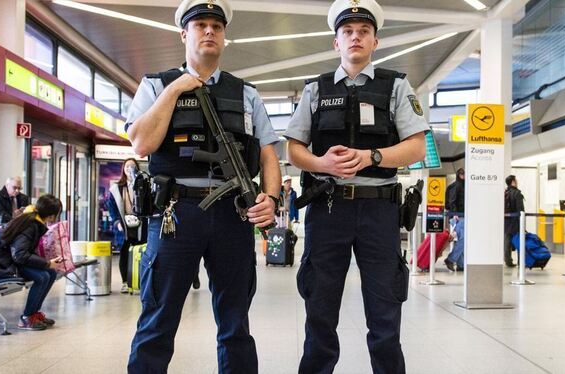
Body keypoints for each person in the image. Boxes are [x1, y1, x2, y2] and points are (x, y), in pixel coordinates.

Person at [124, 1, 281, 372]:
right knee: (158, 319)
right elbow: (141, 144)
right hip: (175, 215)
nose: (209, 31)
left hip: (233, 215)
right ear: (184, 34)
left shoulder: (246, 93)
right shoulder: (155, 85)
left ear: (224, 37)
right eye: (200, 25)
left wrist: (271, 198)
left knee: (235, 323)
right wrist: (175, 89)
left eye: (216, 26)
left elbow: (268, 155)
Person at [285, 0, 428, 372]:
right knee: (319, 310)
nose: (355, 37)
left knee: (385, 315)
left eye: (363, 32)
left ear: (375, 42)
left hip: (378, 210)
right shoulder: (315, 90)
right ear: (336, 43)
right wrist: (320, 164)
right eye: (347, 32)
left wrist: (371, 157)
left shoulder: (395, 85)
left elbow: (415, 146)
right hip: (327, 208)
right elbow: (293, 148)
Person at [0, 194, 63, 331]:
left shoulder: (33, 220)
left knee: (51, 273)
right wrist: (47, 263)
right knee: (43, 276)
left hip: (7, 260)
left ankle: (34, 313)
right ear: (51, 216)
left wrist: (47, 264)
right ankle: (26, 318)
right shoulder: (30, 225)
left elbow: (23, 252)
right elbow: (19, 255)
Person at [107, 158, 145, 294]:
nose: (129, 169)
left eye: (132, 166)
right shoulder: (116, 188)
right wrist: (117, 222)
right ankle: (125, 282)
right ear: (123, 169)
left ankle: (139, 281)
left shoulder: (142, 184)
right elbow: (111, 207)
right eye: (127, 166)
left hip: (140, 225)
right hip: (124, 226)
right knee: (124, 253)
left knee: (140, 253)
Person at [504, 175, 525, 267]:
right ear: (513, 182)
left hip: (506, 221)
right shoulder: (517, 193)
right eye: (515, 180)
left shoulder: (505, 192)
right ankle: (521, 262)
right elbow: (520, 209)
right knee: (519, 241)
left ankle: (508, 261)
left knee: (507, 242)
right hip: (516, 221)